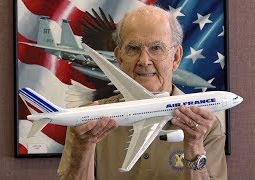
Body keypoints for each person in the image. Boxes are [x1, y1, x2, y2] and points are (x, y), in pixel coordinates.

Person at [58, 5, 227, 180]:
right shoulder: (88, 120)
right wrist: (82, 149)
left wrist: (194, 146)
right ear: (119, 58)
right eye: (133, 48)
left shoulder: (205, 126)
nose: (144, 61)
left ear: (176, 57)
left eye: (156, 48)